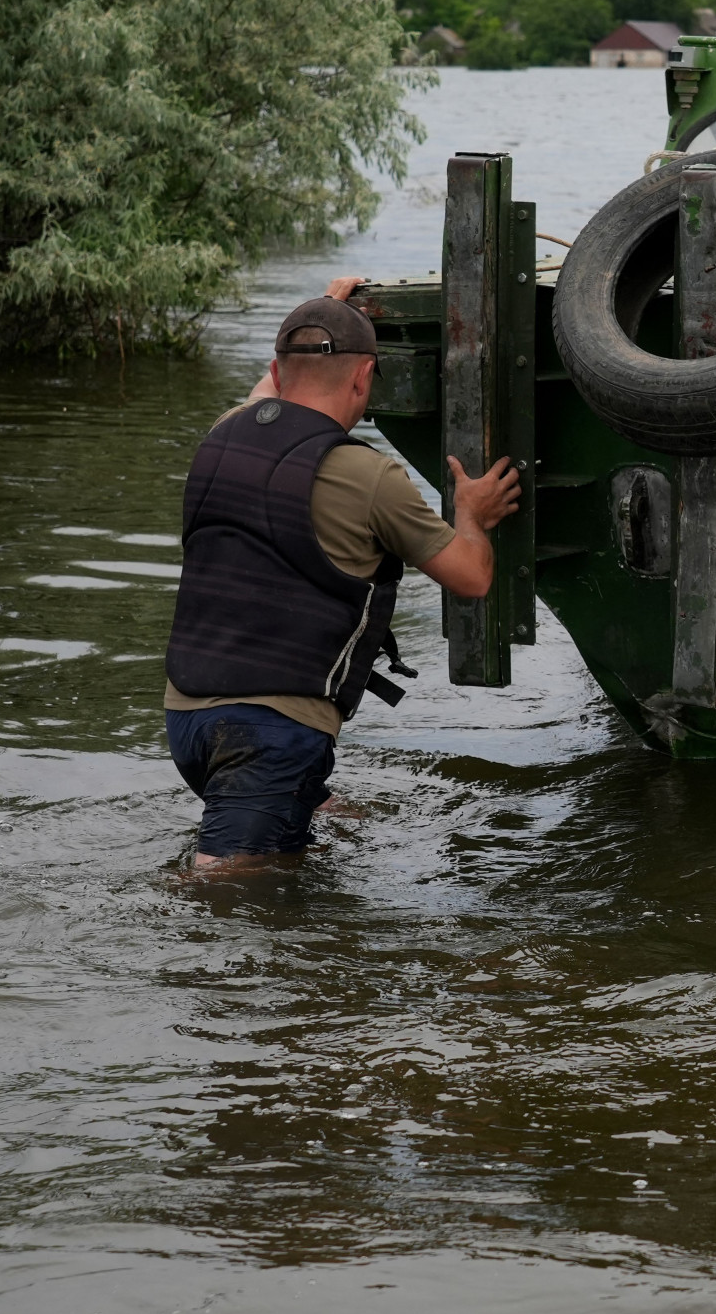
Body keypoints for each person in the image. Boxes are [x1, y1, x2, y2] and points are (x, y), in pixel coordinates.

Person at [162, 282, 519, 872]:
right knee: (227, 889)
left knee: (320, 826)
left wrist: (321, 312)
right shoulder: (370, 475)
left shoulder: (224, 432)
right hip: (272, 730)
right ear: (363, 379)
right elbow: (472, 577)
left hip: (187, 720)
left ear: (278, 369)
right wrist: (473, 515)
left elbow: (269, 392)